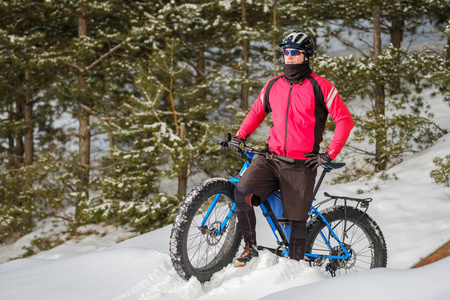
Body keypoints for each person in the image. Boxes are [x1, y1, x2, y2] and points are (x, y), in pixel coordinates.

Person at [229, 31, 354, 267]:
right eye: (285, 52)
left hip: (301, 164)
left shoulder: (321, 86)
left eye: (294, 52)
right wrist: (240, 136)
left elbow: (345, 121)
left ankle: (295, 268)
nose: (288, 56)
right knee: (242, 192)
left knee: (296, 220)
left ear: (306, 56)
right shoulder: (274, 84)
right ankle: (250, 247)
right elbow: (257, 112)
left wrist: (328, 154)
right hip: (270, 157)